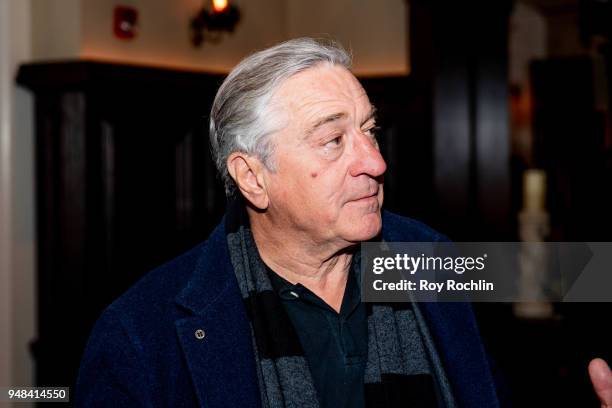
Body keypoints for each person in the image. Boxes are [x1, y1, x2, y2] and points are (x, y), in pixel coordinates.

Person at [75, 37, 612, 408]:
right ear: (253, 177)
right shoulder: (139, 334)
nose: (376, 163)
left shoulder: (425, 256)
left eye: (370, 131)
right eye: (334, 141)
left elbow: (576, 278)